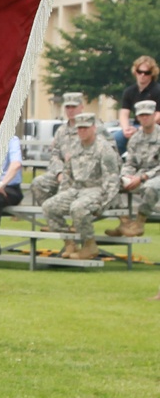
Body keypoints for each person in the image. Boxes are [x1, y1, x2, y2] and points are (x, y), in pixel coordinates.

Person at [43, 112, 121, 260]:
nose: (82, 131)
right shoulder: (74, 147)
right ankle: (69, 242)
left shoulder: (104, 149)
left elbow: (112, 180)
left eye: (85, 128)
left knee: (78, 208)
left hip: (97, 190)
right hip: (76, 190)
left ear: (94, 128)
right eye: (79, 128)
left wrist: (103, 204)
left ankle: (89, 245)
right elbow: (67, 175)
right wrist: (62, 194)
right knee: (49, 207)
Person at [106, 100, 160, 237]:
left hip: (155, 177)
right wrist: (126, 177)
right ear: (137, 117)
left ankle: (140, 223)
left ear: (154, 115)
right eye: (142, 115)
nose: (145, 118)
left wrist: (142, 178)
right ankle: (125, 223)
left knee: (151, 187)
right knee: (110, 183)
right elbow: (130, 163)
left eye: (148, 115)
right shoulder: (135, 138)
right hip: (139, 176)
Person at [30, 92, 87, 205]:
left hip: (84, 175)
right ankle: (52, 217)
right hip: (62, 174)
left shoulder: (91, 128)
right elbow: (54, 154)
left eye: (74, 107)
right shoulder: (61, 131)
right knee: (38, 183)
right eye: (67, 107)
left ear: (81, 107)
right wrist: (59, 172)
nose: (70, 110)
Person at [113, 55, 160, 156]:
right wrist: (126, 129)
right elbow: (124, 113)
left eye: (146, 73)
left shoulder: (158, 90)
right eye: (139, 71)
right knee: (115, 140)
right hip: (135, 126)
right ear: (135, 72)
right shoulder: (129, 91)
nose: (142, 75)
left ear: (152, 74)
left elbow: (158, 116)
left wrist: (140, 129)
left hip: (155, 128)